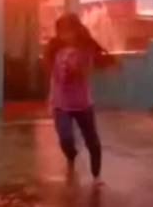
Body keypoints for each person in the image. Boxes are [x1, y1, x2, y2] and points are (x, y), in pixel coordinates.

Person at [42, 12, 115, 183]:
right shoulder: (53, 50)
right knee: (65, 139)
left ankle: (96, 175)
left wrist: (82, 68)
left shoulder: (86, 48)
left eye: (69, 31)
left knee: (92, 141)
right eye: (62, 32)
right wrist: (50, 97)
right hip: (61, 103)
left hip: (83, 103)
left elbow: (88, 68)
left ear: (77, 30)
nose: (66, 35)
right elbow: (52, 74)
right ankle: (71, 156)